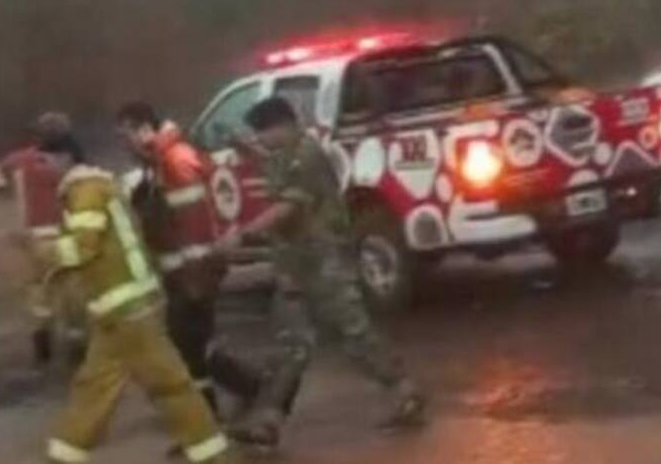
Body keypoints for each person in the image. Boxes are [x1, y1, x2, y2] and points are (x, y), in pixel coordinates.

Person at [221, 97, 425, 450]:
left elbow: (289, 206)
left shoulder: (308, 155)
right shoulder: (283, 154)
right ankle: (268, 423)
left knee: (354, 333)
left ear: (283, 126)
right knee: (291, 345)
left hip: (325, 261)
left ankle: (405, 391)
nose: (262, 140)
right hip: (294, 266)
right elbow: (269, 162)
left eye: (264, 132)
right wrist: (245, 148)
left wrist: (244, 233)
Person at [25, 134, 237, 464]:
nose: (41, 168)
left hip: (126, 313)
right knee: (100, 389)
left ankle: (215, 456)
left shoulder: (86, 192)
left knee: (165, 388)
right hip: (123, 313)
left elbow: (82, 247)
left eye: (44, 160)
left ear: (65, 157)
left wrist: (41, 251)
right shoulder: (97, 187)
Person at [116, 101, 263, 417]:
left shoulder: (174, 160)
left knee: (186, 345)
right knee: (191, 345)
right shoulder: (157, 162)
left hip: (194, 274)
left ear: (144, 129)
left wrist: (195, 277)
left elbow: (195, 222)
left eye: (127, 133)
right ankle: (241, 391)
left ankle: (215, 412)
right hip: (183, 273)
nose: (124, 142)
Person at [0, 112, 86, 365]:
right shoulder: (70, 163)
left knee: (37, 291)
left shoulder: (21, 160)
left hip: (31, 238)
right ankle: (77, 346)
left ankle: (42, 342)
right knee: (71, 291)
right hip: (64, 236)